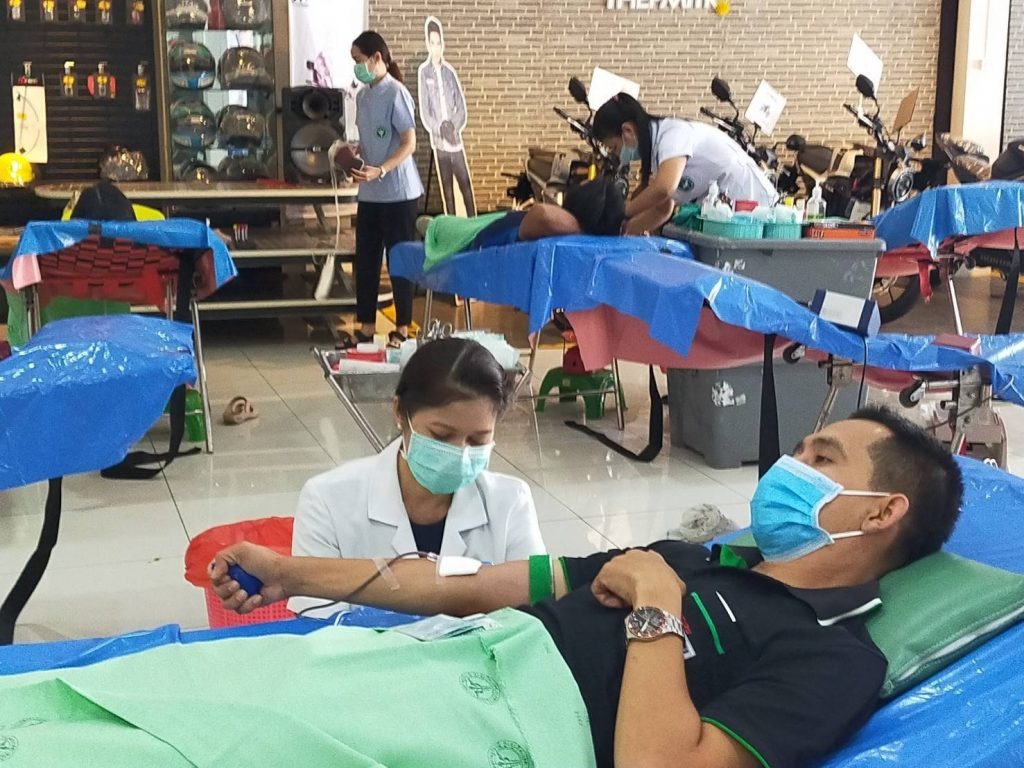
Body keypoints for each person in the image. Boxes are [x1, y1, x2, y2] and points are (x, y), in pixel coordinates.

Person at [213, 406, 963, 767]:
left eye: (821, 459)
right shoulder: (693, 557)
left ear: (883, 512)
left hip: (494, 739)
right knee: (208, 701)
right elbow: (467, 584)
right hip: (436, 667)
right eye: (798, 450)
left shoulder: (835, 656)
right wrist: (291, 572)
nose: (789, 467)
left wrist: (657, 606)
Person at [288, 336, 545, 616]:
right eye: (441, 436)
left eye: (478, 440)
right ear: (400, 411)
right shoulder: (327, 501)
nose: (460, 453)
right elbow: (316, 624)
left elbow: (536, 613)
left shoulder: (510, 502)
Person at [593, 93, 777, 235]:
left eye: (615, 148)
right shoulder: (659, 152)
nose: (619, 155)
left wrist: (623, 211)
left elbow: (664, 189)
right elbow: (662, 207)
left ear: (627, 130)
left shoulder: (672, 134)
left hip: (753, 206)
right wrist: (625, 230)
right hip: (728, 218)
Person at [344, 31, 424, 349]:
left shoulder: (396, 93)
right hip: (371, 194)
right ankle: (365, 327)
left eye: (359, 60)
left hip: (399, 194)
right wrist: (355, 156)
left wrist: (382, 169)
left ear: (377, 58)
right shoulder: (363, 97)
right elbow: (370, 141)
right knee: (366, 261)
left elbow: (409, 143)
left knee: (398, 261)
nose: (356, 67)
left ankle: (402, 328)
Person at [417, 17, 476, 216]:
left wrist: (453, 126)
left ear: (443, 44)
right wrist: (439, 128)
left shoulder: (449, 73)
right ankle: (451, 225)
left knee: (465, 185)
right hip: (440, 144)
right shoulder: (424, 73)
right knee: (447, 190)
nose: (436, 48)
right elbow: (425, 111)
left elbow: (461, 107)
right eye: (432, 43)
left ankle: (473, 222)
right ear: (428, 45)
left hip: (455, 141)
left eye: (439, 43)